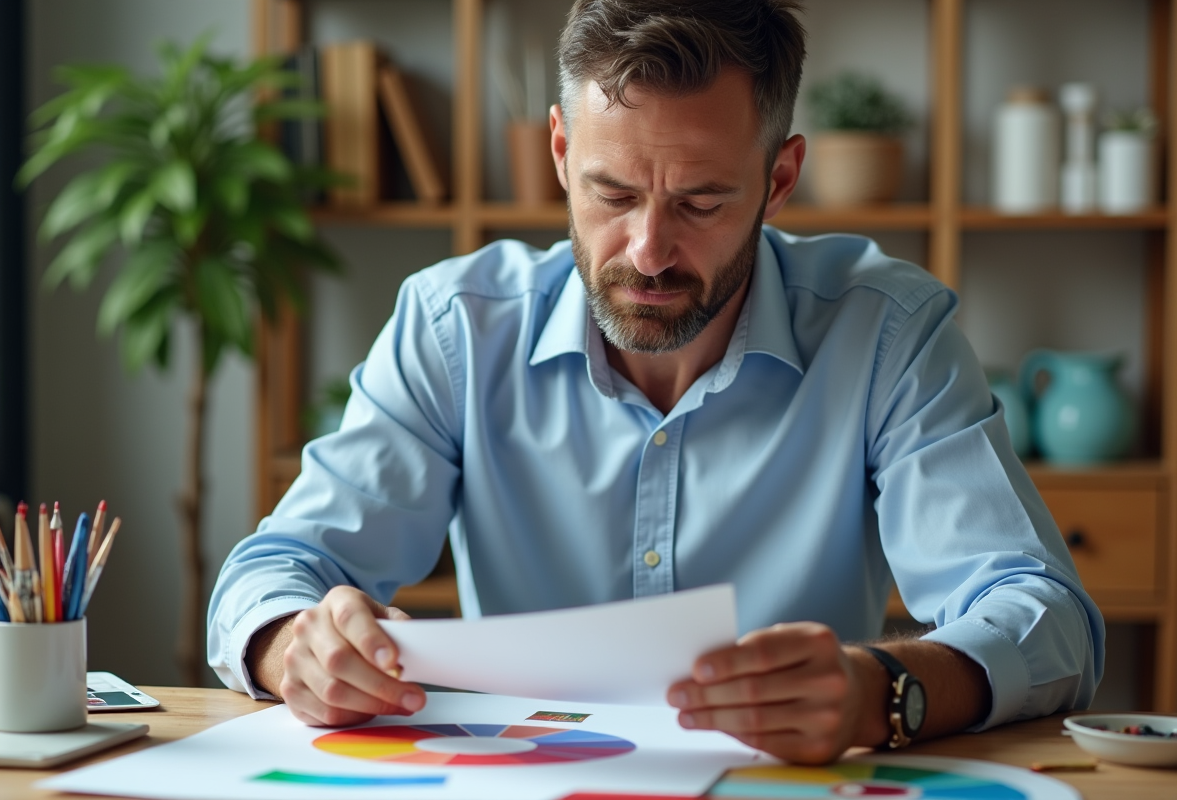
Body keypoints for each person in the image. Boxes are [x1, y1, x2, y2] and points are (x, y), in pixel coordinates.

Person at [209, 0, 1103, 765]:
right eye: (612, 194)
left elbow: (1046, 616)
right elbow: (275, 570)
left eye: (702, 203)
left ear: (780, 177)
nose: (647, 251)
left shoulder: (886, 334)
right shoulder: (455, 328)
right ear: (560, 153)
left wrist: (883, 692)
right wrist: (296, 643)